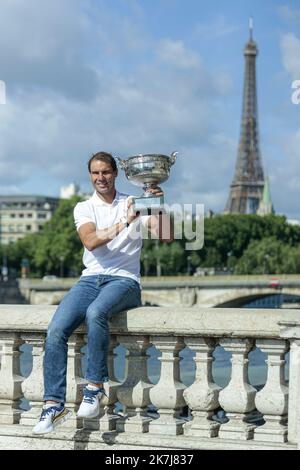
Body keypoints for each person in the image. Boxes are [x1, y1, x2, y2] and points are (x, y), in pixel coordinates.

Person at [33, 151, 173, 434]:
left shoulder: (132, 201)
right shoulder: (83, 207)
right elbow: (91, 241)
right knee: (56, 329)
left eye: (106, 172)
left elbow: (166, 235)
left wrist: (158, 205)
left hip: (125, 281)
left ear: (115, 174)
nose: (101, 178)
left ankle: (95, 387)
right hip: (90, 280)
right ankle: (53, 405)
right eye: (95, 173)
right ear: (90, 176)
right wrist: (125, 222)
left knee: (96, 312)